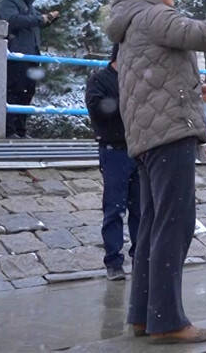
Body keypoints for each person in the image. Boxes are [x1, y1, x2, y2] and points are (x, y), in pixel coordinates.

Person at [105, 0, 206, 345]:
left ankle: (144, 315)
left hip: (148, 137)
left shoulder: (132, 23)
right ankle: (168, 320)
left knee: (151, 224)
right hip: (169, 135)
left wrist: (196, 91)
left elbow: (153, 80)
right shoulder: (153, 15)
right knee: (174, 224)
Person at [84, 43, 139, 281]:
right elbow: (97, 110)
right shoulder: (99, 80)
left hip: (138, 150)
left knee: (141, 208)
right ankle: (113, 261)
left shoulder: (138, 80)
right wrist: (124, 105)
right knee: (114, 208)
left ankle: (140, 256)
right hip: (113, 149)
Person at [0, 0, 58, 138]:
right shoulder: (8, 0)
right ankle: (9, 130)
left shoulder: (26, 3)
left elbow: (35, 20)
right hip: (17, 54)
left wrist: (49, 19)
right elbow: (13, 20)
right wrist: (40, 19)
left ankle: (21, 130)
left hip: (31, 54)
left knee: (27, 92)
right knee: (15, 91)